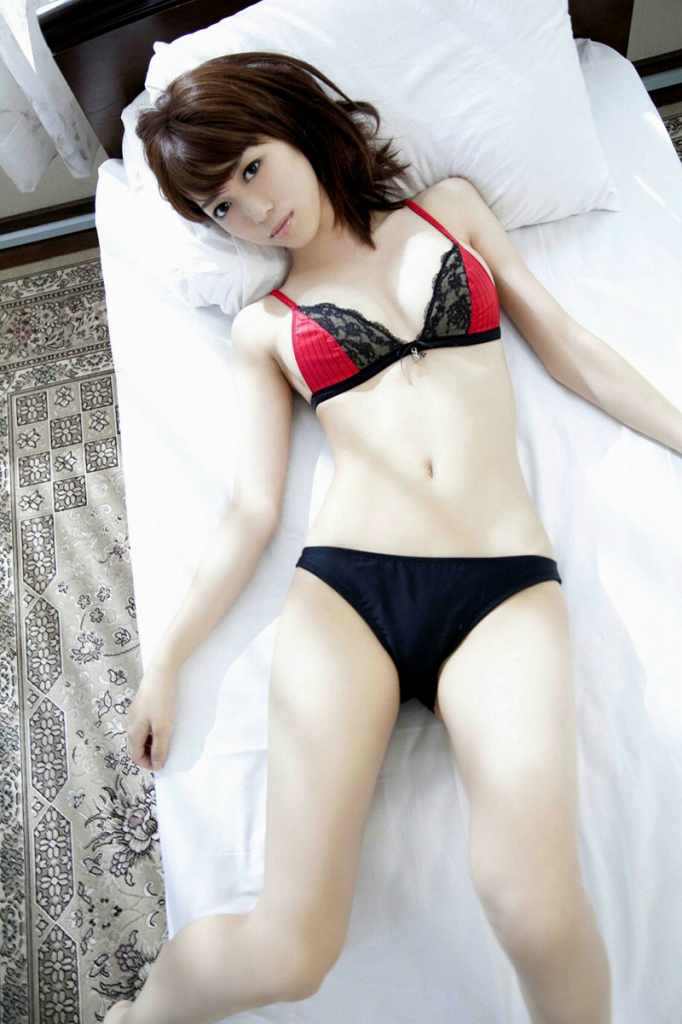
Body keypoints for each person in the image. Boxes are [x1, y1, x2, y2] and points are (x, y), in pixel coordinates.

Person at [105, 48, 682, 1024]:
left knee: (534, 906)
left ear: (293, 123)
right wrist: (166, 662)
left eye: (251, 167)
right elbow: (251, 509)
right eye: (220, 208)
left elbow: (570, 349)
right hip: (348, 596)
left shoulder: (448, 211)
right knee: (290, 951)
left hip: (501, 589)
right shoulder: (265, 328)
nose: (253, 211)